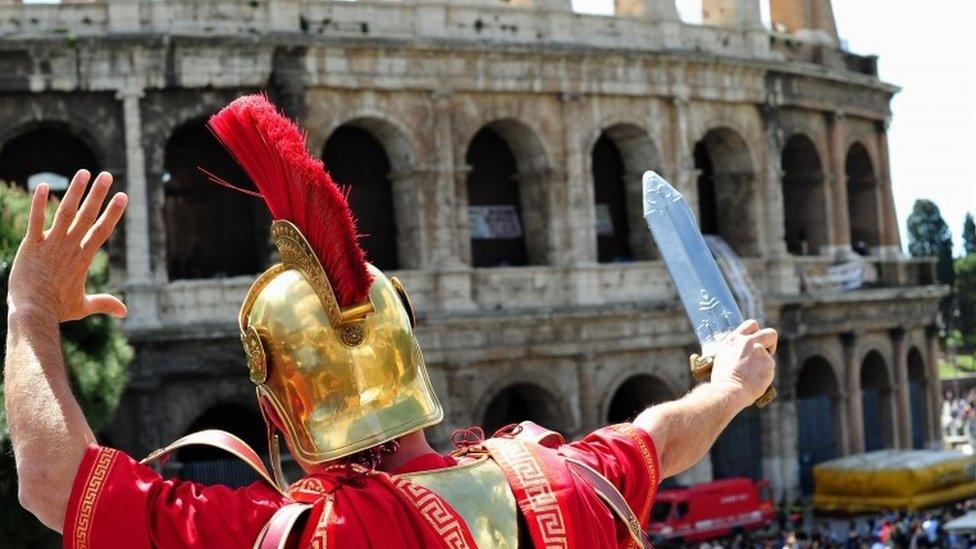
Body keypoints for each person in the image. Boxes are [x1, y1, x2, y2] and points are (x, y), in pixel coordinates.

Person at [4, 95, 777, 547]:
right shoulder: (569, 476)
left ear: (280, 413)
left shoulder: (311, 534)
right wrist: (734, 385)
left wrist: (32, 309)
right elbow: (665, 434)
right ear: (411, 362)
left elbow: (53, 481)